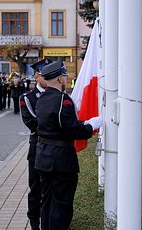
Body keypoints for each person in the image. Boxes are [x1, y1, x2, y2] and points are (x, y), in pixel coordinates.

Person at [35, 61, 103, 230]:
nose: (66, 80)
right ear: (59, 79)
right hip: (61, 160)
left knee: (47, 202)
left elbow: (58, 125)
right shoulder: (63, 100)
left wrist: (82, 124)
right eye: (65, 77)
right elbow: (72, 130)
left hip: (43, 157)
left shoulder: (41, 98)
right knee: (62, 205)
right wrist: (90, 126)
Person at [19, 58, 52, 230]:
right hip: (38, 148)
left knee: (51, 189)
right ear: (37, 76)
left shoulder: (58, 95)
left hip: (54, 149)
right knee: (36, 188)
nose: (50, 79)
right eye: (47, 75)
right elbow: (31, 123)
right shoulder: (28, 98)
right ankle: (34, 222)